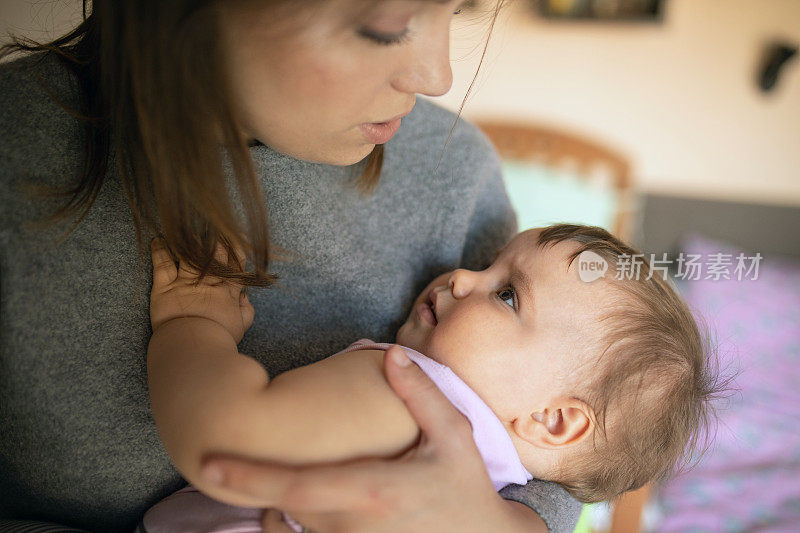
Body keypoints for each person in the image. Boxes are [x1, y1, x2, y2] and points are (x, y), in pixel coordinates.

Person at [0, 1, 585, 531]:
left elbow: (561, 432)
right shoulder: (18, 146)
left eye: (455, 12)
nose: (437, 77)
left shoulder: (455, 170)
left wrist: (505, 527)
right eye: (386, 24)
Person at [139, 224, 719, 532]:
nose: (464, 277)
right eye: (492, 262)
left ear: (554, 419)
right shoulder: (490, 493)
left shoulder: (408, 393)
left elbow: (225, 443)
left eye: (508, 294)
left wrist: (192, 322)